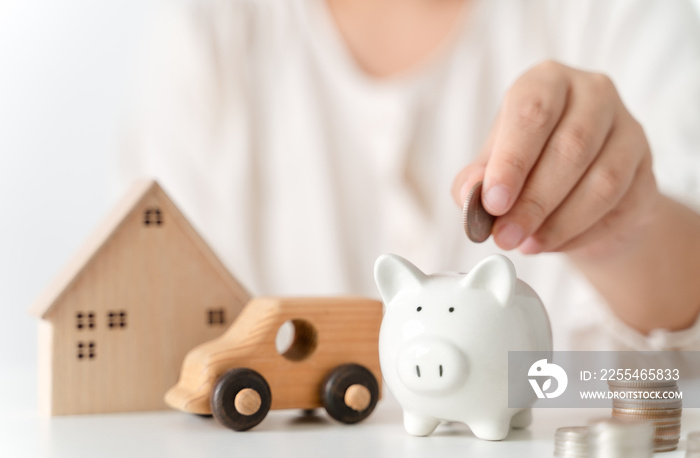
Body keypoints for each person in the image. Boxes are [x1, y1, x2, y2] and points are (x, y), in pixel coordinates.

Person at [119, 0, 700, 351]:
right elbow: (160, 322)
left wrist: (625, 232)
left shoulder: (618, 15)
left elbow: (667, 382)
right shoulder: (209, 34)